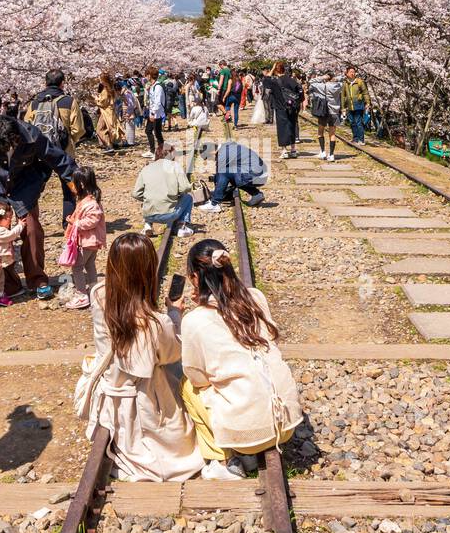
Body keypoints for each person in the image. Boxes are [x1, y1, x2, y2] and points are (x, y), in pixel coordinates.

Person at [77, 233, 204, 482]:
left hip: (112, 389)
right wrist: (174, 316)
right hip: (145, 399)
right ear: (147, 272)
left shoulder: (99, 294)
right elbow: (172, 355)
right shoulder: (156, 323)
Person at [179, 239, 304, 481]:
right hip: (288, 425)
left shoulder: (195, 320)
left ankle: (224, 460)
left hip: (250, 437)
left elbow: (197, 376)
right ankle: (245, 442)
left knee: (188, 386)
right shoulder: (255, 297)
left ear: (196, 278)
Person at [0, 114, 77, 300]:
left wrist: (77, 187)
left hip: (26, 187)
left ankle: (38, 279)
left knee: (32, 231)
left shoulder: (31, 135)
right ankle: (9, 285)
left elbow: (58, 159)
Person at [25, 68, 86, 224]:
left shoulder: (34, 103)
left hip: (40, 153)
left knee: (33, 189)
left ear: (45, 83)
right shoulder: (68, 101)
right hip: (64, 152)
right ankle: (68, 223)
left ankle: (29, 223)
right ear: (62, 83)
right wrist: (70, 140)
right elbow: (78, 129)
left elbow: (26, 128)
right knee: (69, 189)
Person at [61, 166, 107, 310]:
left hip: (87, 242)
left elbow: (91, 221)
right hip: (90, 241)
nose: (72, 186)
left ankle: (81, 295)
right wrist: (73, 219)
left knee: (77, 267)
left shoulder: (91, 203)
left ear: (81, 185)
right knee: (89, 265)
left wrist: (76, 223)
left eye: (74, 183)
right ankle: (94, 290)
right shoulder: (87, 200)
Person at [132, 143, 195, 238]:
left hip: (148, 215)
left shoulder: (146, 168)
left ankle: (147, 225)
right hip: (169, 214)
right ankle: (180, 227)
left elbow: (136, 193)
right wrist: (176, 194)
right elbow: (185, 188)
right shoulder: (175, 166)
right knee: (188, 197)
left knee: (148, 199)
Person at [197, 138, 268, 211]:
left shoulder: (223, 155)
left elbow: (220, 175)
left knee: (224, 173)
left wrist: (216, 193)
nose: (211, 160)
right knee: (231, 174)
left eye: (208, 158)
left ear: (212, 152)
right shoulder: (226, 147)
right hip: (260, 174)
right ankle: (256, 194)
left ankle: (214, 204)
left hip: (256, 175)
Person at [261, 61, 302, 159]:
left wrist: (272, 68)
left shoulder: (274, 81)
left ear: (276, 71)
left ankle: (284, 150)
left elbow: (265, 80)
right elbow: (300, 94)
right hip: (292, 107)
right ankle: (293, 150)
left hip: (280, 107)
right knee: (291, 126)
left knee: (282, 128)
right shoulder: (292, 80)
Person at [308, 71, 343, 161]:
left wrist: (322, 77)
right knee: (332, 134)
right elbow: (343, 78)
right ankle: (331, 155)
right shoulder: (339, 85)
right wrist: (336, 79)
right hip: (334, 112)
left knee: (320, 132)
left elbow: (311, 82)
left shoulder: (322, 86)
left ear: (326, 77)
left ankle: (323, 152)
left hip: (323, 111)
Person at [142, 67, 167, 159]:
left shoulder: (158, 86)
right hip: (152, 112)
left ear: (149, 75)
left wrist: (153, 113)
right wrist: (147, 91)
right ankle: (152, 151)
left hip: (157, 113)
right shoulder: (152, 86)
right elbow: (151, 99)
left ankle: (161, 153)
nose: (145, 77)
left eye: (146, 75)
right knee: (148, 131)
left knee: (157, 133)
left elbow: (158, 101)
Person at [94, 73, 123, 150]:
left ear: (103, 80)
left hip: (105, 112)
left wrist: (96, 99)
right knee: (107, 127)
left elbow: (103, 102)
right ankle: (113, 143)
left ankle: (108, 145)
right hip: (110, 111)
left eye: (100, 79)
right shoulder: (111, 88)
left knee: (99, 129)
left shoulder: (105, 90)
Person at [343, 66, 369, 144]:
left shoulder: (359, 82)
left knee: (358, 122)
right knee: (352, 123)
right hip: (349, 106)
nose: (352, 73)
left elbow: (365, 93)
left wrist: (367, 102)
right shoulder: (345, 83)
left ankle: (361, 139)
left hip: (358, 104)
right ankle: (355, 138)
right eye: (350, 72)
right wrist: (343, 107)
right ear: (347, 73)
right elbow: (343, 96)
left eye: (353, 72)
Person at [119, 80, 140, 147]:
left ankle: (130, 142)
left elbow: (130, 104)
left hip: (129, 111)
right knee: (127, 126)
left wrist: (129, 112)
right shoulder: (127, 92)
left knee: (129, 126)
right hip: (128, 110)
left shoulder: (127, 93)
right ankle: (129, 141)